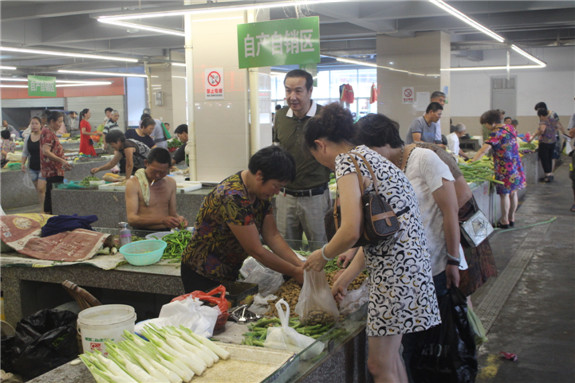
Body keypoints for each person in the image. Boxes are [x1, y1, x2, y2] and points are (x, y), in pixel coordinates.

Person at [303, 103, 440, 383]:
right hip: (410, 268)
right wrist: (346, 277)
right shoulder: (368, 158)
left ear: (320, 145)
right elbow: (380, 231)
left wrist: (323, 255)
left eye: (315, 155)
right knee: (391, 359)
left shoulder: (346, 162)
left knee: (379, 366)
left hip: (395, 277)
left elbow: (351, 231)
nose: (321, 162)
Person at [180, 145, 305, 293]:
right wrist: (295, 271)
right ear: (259, 175)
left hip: (228, 271)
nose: (277, 192)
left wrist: (300, 265)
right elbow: (256, 250)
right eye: (276, 186)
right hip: (202, 272)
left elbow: (273, 236)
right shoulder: (233, 196)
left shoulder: (261, 193)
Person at [272, 69, 331, 249]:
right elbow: (277, 151)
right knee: (286, 251)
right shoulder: (281, 117)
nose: (292, 96)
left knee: (320, 251)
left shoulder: (325, 117)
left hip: (315, 197)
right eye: (288, 91)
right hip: (285, 197)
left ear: (310, 91)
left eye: (298, 90)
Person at [472, 110, 526, 228]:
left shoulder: (496, 133)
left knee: (504, 195)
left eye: (485, 124)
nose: (486, 127)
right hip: (516, 164)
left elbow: (484, 150)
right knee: (514, 193)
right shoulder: (510, 128)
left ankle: (504, 220)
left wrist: (472, 162)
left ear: (491, 122)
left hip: (504, 168)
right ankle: (512, 218)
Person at [125, 148, 187, 231]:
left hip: (165, 232)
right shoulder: (133, 184)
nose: (157, 175)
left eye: (162, 172)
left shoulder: (171, 183)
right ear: (146, 163)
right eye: (154, 171)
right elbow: (132, 219)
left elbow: (172, 214)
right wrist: (161, 220)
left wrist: (179, 219)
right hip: (142, 232)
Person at [41, 111, 72, 214]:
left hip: (56, 169)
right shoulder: (48, 132)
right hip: (52, 170)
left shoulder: (49, 132)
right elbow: (46, 151)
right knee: (51, 195)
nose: (60, 124)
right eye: (59, 122)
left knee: (51, 194)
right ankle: (50, 217)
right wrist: (61, 160)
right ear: (52, 121)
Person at [532, 107, 568, 182]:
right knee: (549, 158)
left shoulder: (543, 121)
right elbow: (558, 127)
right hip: (553, 141)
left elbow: (542, 130)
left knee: (544, 159)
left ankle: (547, 175)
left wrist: (535, 135)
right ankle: (550, 174)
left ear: (541, 115)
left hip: (544, 142)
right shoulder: (552, 119)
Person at [21, 117, 46, 206]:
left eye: (36, 123)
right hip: (32, 167)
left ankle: (43, 210)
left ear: (40, 125)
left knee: (41, 188)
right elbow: (25, 152)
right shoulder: (27, 138)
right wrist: (22, 163)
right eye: (32, 123)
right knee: (38, 190)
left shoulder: (44, 137)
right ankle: (43, 206)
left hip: (43, 167)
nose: (34, 126)